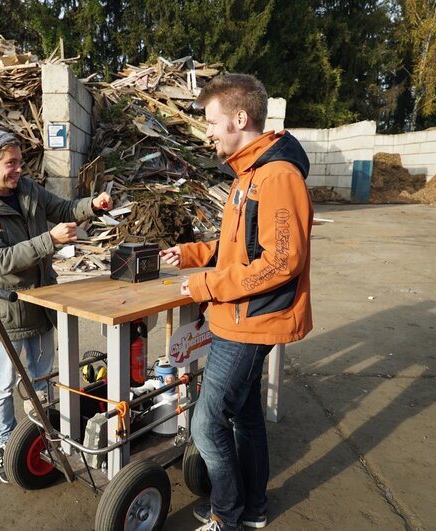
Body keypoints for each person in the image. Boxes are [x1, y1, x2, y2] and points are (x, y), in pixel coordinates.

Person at [160, 74, 313, 530]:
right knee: (245, 418)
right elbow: (238, 246)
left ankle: (226, 515)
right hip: (239, 316)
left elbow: (281, 261)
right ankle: (253, 508)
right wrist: (190, 254)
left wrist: (206, 286)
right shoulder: (249, 172)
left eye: (211, 121)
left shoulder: (277, 176)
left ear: (240, 119)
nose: (207, 131)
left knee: (207, 425)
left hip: (251, 322)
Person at [0, 124, 112, 483]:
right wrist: (49, 241)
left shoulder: (27, 189)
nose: (19, 170)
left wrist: (93, 205)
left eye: (20, 162)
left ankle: (41, 436)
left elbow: (64, 207)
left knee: (42, 379)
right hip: (7, 310)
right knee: (4, 383)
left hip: (41, 301)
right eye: (11, 163)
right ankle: (6, 446)